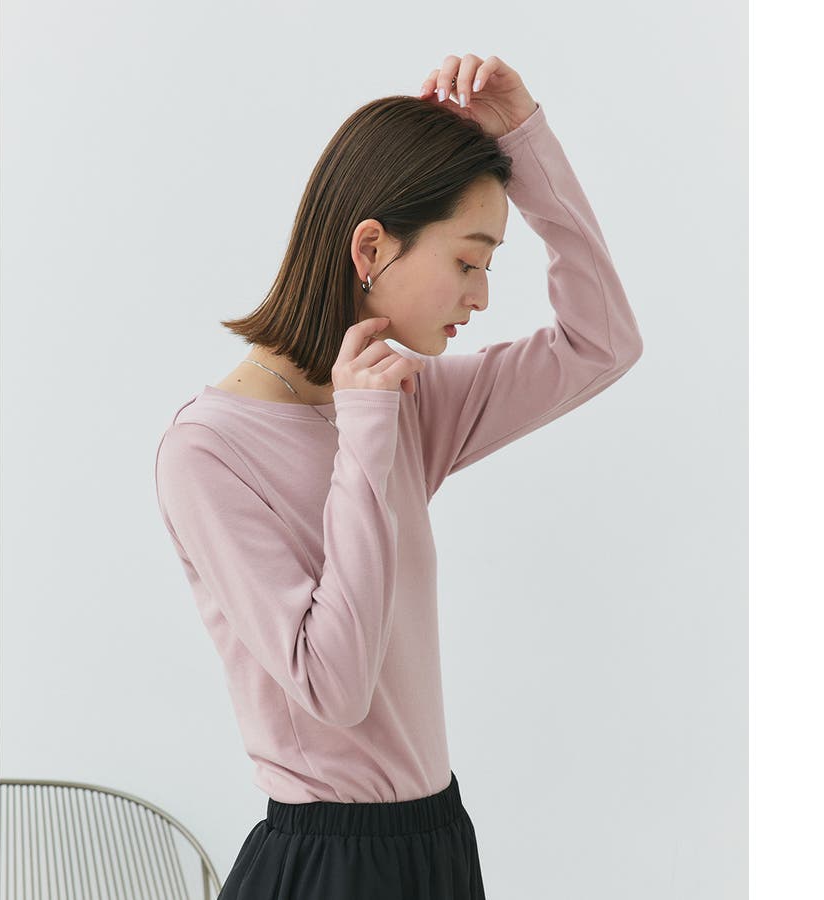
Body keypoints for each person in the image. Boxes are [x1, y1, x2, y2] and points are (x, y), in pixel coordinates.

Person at [154, 53, 643, 900]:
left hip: (437, 841)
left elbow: (602, 343)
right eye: (468, 261)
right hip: (327, 864)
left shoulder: (409, 402)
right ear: (372, 247)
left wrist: (525, 138)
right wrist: (366, 433)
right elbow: (334, 686)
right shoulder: (207, 452)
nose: (481, 297)